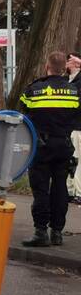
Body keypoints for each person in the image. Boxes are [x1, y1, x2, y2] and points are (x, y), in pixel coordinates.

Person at [19, 51, 81, 247]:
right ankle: (57, 233)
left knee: (41, 190)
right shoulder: (74, 91)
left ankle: (40, 232)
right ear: (64, 68)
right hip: (64, 146)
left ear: (47, 66)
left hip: (41, 147)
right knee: (60, 188)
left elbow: (22, 113)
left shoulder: (34, 89)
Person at [67, 51, 81, 204]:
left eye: (69, 61)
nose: (66, 64)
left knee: (78, 160)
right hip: (69, 126)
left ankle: (79, 192)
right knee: (71, 160)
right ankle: (70, 190)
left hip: (78, 127)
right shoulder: (67, 80)